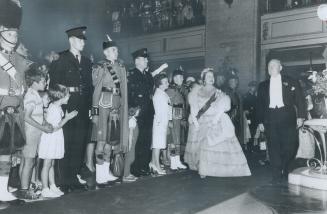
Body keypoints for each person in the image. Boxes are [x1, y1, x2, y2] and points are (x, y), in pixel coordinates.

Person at [48, 26, 93, 193]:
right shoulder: (60, 59)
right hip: (67, 105)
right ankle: (63, 180)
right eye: (80, 39)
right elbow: (54, 85)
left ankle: (73, 178)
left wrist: (90, 108)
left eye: (84, 40)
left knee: (79, 143)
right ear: (71, 40)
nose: (83, 43)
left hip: (82, 107)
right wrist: (60, 105)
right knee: (65, 142)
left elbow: (89, 87)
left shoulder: (87, 61)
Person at [185, 68, 251, 178]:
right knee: (202, 146)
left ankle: (212, 169)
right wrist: (195, 122)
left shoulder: (218, 92)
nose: (211, 79)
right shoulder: (197, 91)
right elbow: (194, 107)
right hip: (201, 121)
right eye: (208, 77)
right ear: (204, 79)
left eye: (212, 77)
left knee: (211, 145)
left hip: (214, 121)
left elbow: (225, 105)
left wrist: (216, 118)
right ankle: (203, 169)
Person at [0, 0, 30, 208]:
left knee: (8, 153)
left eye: (16, 34)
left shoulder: (19, 59)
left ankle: (2, 188)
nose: (14, 37)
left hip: (13, 112)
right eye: (10, 34)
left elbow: (22, 88)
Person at [256, 59, 306, 184]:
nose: (271, 67)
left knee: (291, 145)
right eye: (269, 66)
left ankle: (285, 166)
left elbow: (300, 100)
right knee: (273, 146)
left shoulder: (291, 81)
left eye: (274, 65)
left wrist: (301, 116)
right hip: (270, 117)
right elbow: (259, 105)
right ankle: (276, 173)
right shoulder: (262, 85)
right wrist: (260, 122)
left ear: (281, 67)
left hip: (287, 116)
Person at [91, 38, 128, 185]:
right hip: (103, 106)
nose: (116, 52)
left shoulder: (120, 67)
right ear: (106, 52)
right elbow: (96, 89)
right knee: (101, 142)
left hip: (116, 107)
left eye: (116, 50)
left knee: (109, 142)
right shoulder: (101, 67)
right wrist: (94, 112)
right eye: (114, 50)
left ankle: (106, 173)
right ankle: (100, 175)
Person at [128, 48, 167, 177]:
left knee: (146, 139)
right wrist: (132, 111)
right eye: (144, 59)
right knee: (137, 140)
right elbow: (129, 95)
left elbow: (150, 93)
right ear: (137, 61)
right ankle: (135, 167)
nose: (146, 60)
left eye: (146, 58)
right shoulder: (132, 74)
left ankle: (144, 165)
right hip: (138, 112)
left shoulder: (148, 75)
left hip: (149, 111)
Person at [18, 66, 52, 200]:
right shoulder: (31, 95)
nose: (46, 84)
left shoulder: (35, 94)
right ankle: (24, 190)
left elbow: (37, 115)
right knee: (29, 161)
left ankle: (24, 187)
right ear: (34, 82)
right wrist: (42, 127)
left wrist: (45, 123)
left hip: (34, 132)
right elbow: (27, 117)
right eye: (43, 81)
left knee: (26, 161)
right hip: (30, 133)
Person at [39, 84, 78, 198]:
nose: (69, 96)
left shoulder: (57, 107)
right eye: (67, 95)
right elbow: (53, 128)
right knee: (47, 164)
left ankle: (52, 185)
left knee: (52, 163)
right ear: (60, 97)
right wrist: (67, 118)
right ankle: (44, 188)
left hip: (55, 138)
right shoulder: (54, 109)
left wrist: (65, 117)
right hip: (50, 138)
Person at [166, 68, 187, 170]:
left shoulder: (184, 89)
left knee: (178, 139)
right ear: (173, 78)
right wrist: (170, 119)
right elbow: (169, 105)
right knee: (173, 139)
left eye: (181, 77)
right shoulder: (170, 89)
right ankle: (173, 161)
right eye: (177, 77)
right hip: (173, 115)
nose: (179, 79)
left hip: (181, 115)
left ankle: (178, 160)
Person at [149, 73, 170, 175]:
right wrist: (161, 123)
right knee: (157, 145)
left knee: (157, 144)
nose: (168, 83)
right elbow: (158, 111)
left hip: (162, 122)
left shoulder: (162, 93)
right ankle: (157, 166)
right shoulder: (158, 94)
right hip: (159, 122)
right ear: (159, 84)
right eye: (165, 82)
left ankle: (153, 163)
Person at [243, 81, 258, 152]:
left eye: (254, 87)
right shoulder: (246, 96)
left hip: (254, 117)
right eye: (252, 86)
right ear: (249, 87)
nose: (253, 88)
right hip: (248, 117)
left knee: (254, 132)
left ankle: (252, 147)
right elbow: (245, 108)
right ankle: (248, 148)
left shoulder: (255, 97)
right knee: (248, 133)